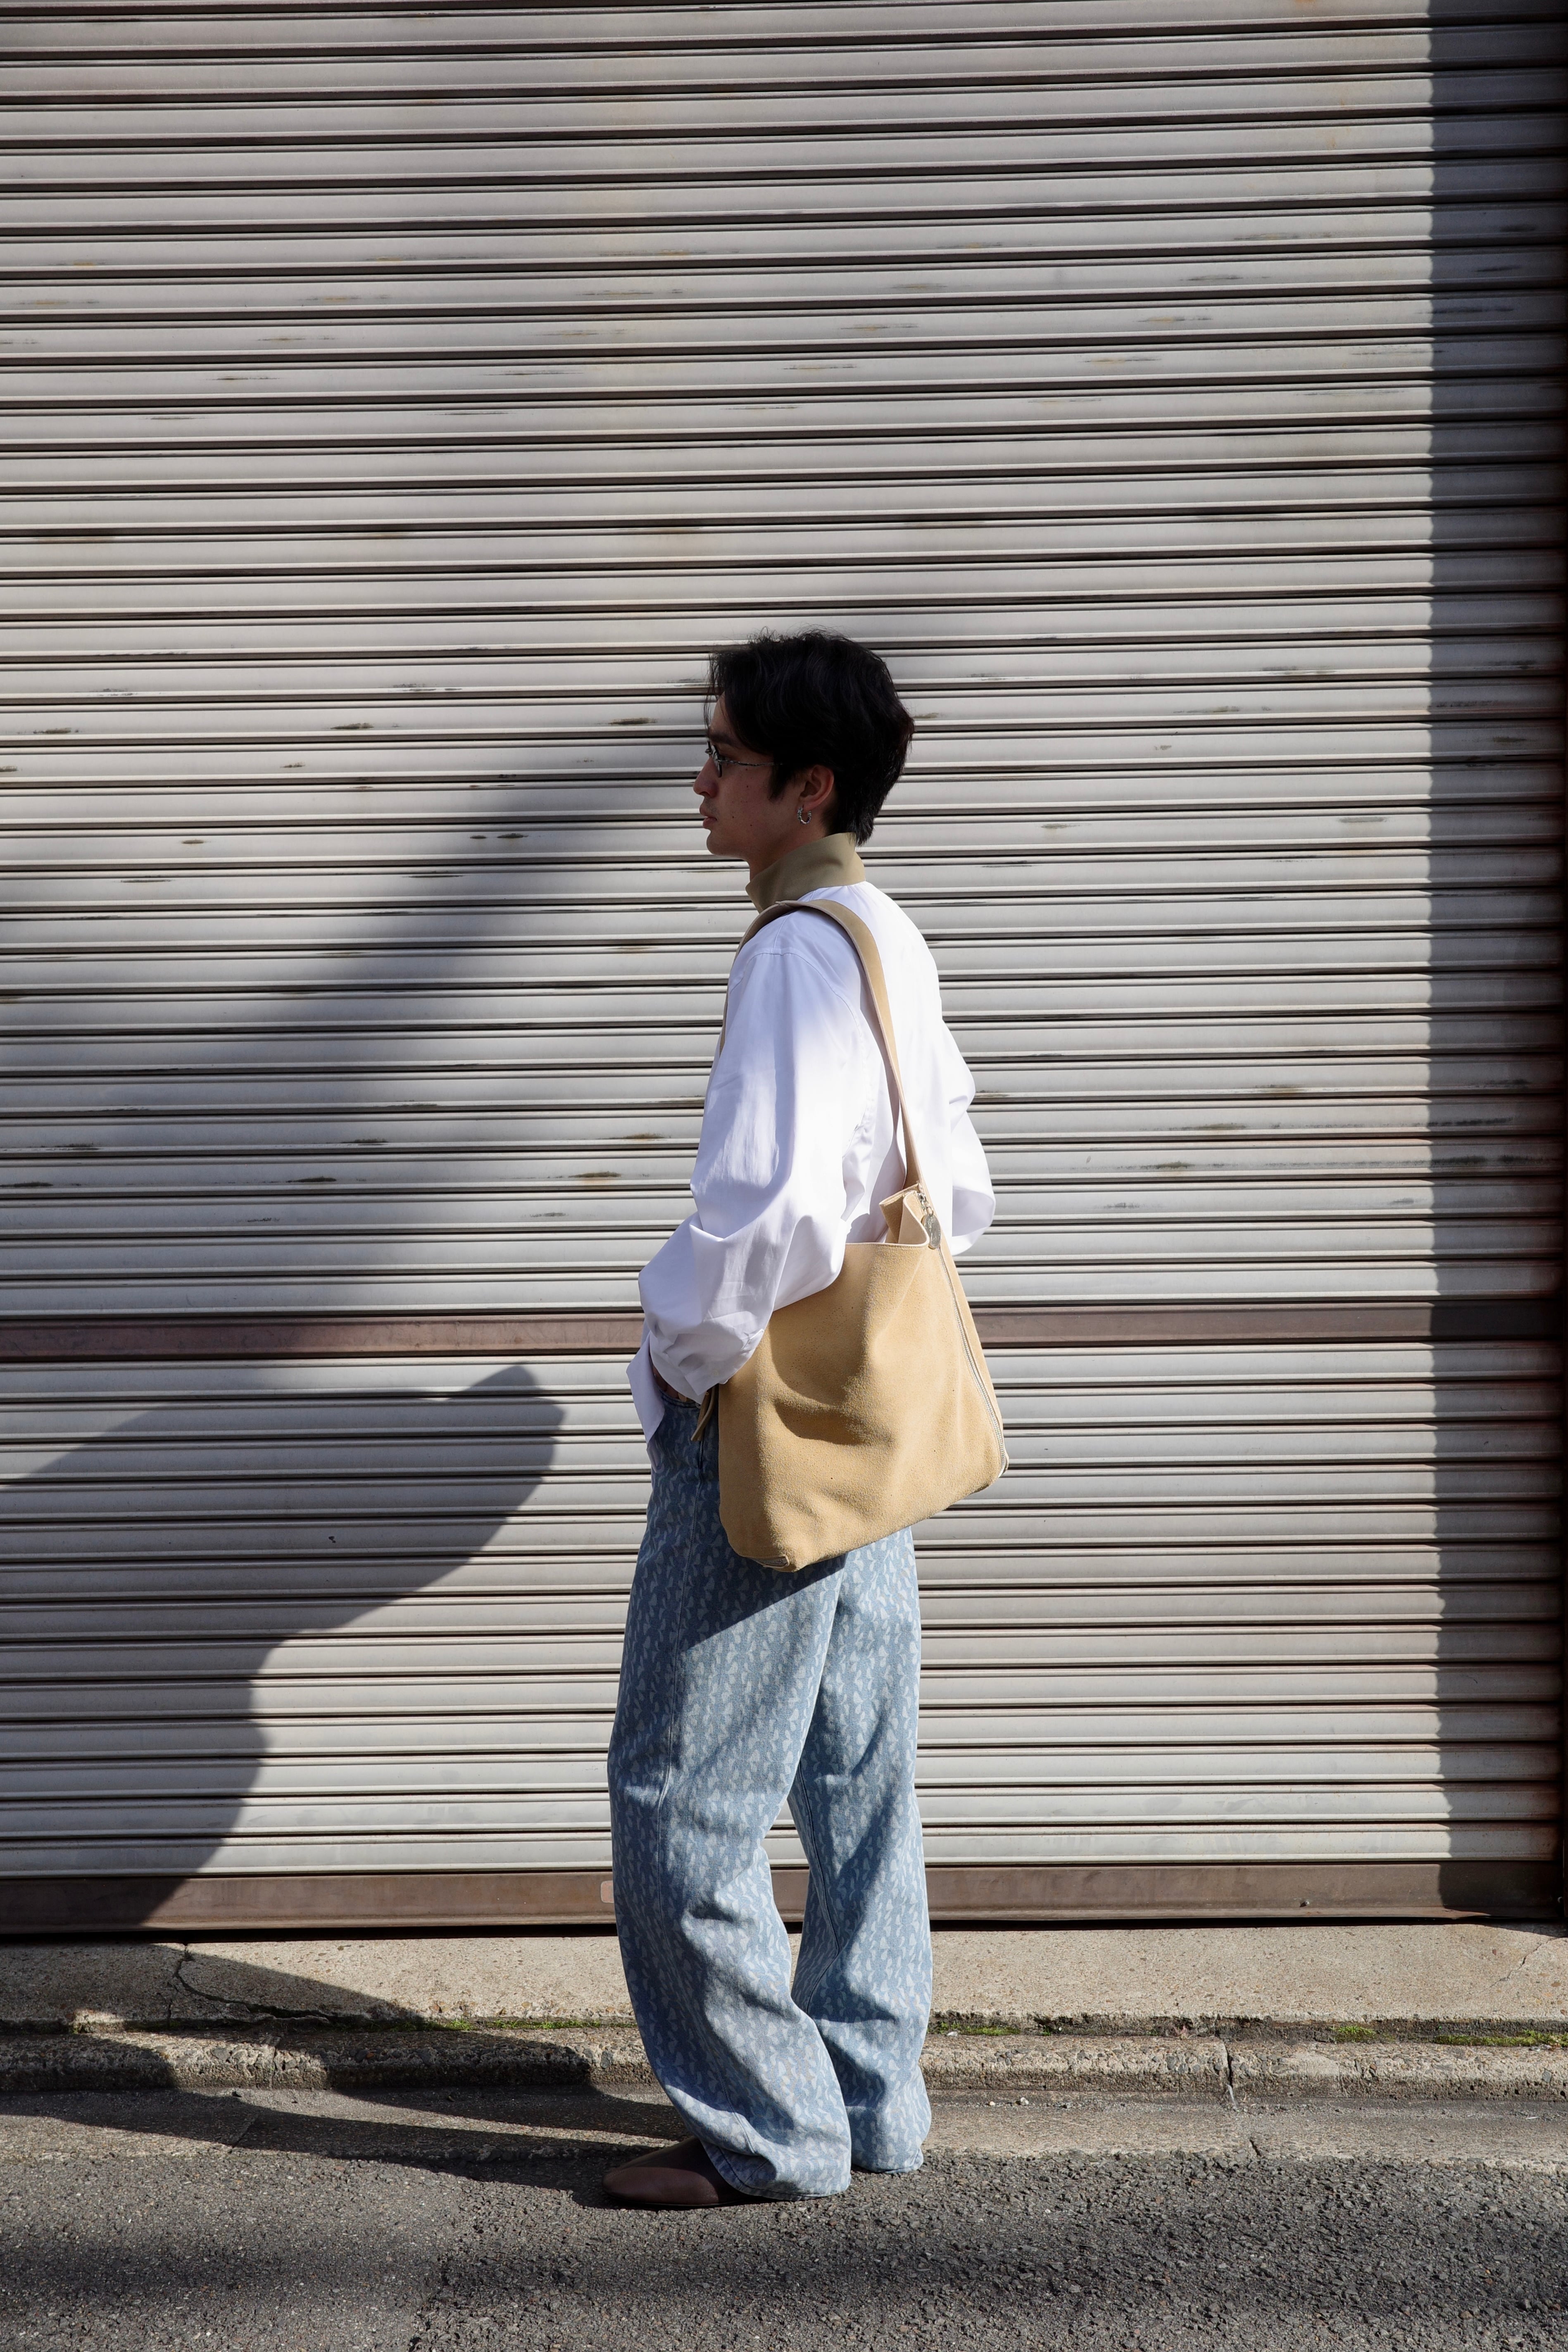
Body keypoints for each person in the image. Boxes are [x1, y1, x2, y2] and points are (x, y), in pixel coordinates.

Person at [602, 630, 996, 2208]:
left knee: (680, 1793)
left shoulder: (786, 951)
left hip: (767, 1418)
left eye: (721, 756)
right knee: (856, 1780)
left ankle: (767, 2131)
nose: (698, 782)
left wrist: (680, 1358)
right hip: (873, 1424)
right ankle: (867, 2101)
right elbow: (958, 1179)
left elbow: (764, 1210)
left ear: (806, 785)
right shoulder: (884, 930)